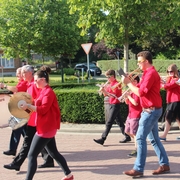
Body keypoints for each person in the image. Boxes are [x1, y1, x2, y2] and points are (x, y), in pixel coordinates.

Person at [20, 67, 74, 180]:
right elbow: (36, 105)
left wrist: (29, 106)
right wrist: (26, 106)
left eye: (36, 80)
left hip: (46, 128)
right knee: (54, 153)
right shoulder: (43, 91)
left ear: (43, 79)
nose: (34, 83)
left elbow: (43, 109)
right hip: (46, 127)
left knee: (31, 155)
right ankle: (68, 175)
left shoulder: (48, 92)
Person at [122, 51, 170, 177]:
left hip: (150, 111)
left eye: (140, 61)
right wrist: (130, 82)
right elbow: (140, 90)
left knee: (139, 138)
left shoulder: (150, 73)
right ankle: (164, 164)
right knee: (154, 140)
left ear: (146, 61)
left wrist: (127, 83)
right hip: (151, 109)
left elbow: (140, 93)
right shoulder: (147, 73)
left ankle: (138, 168)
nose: (138, 64)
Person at [4, 65, 54, 171]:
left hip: (36, 119)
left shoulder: (35, 85)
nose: (22, 75)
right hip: (34, 119)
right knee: (47, 144)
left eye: (24, 73)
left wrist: (26, 111)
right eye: (21, 73)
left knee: (28, 143)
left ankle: (17, 164)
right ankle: (49, 160)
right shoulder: (30, 84)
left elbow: (36, 102)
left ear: (30, 73)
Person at [93, 69, 131, 145]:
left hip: (115, 104)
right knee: (119, 122)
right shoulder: (110, 84)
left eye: (108, 77)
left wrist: (105, 91)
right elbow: (106, 95)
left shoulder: (117, 84)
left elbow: (113, 95)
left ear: (113, 76)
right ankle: (127, 136)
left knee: (109, 122)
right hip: (111, 104)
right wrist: (103, 90)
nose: (107, 79)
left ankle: (103, 138)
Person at [2, 67, 27, 156]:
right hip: (20, 110)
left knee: (16, 128)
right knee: (25, 132)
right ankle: (32, 147)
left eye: (19, 73)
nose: (17, 75)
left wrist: (4, 86)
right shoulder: (21, 83)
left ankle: (13, 149)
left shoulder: (24, 83)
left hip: (22, 111)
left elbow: (15, 89)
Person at [159, 64, 180, 141]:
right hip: (171, 100)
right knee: (178, 118)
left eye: (171, 71)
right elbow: (166, 84)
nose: (169, 73)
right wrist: (162, 80)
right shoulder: (171, 79)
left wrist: (161, 83)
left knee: (168, 117)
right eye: (168, 71)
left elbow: (166, 86)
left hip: (175, 100)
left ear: (175, 71)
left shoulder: (176, 79)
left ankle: (164, 135)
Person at [123, 75, 142, 158]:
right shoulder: (132, 90)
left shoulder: (137, 90)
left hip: (136, 114)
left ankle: (138, 150)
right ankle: (140, 144)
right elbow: (128, 103)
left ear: (136, 82)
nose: (131, 82)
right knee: (127, 131)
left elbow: (135, 103)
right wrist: (126, 97)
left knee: (134, 134)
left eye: (133, 81)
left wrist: (129, 96)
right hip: (130, 114)